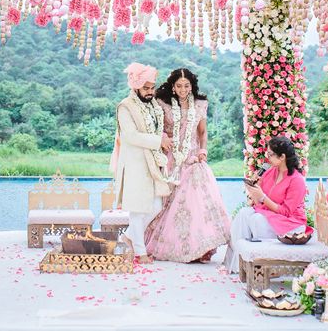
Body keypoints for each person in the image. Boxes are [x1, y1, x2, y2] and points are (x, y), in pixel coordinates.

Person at [144, 68, 230, 263]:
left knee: (195, 204)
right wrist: (164, 137)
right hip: (170, 159)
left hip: (192, 158)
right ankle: (174, 247)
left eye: (187, 86)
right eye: (179, 86)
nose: (183, 89)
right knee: (168, 204)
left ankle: (198, 249)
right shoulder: (162, 104)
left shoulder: (200, 104)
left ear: (192, 86)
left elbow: (202, 132)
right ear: (173, 87)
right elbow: (155, 128)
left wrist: (203, 150)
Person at [109, 62, 173, 263]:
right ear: (135, 87)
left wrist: (161, 138)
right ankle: (140, 252)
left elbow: (154, 128)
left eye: (152, 88)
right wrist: (158, 140)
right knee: (138, 209)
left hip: (152, 163)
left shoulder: (152, 105)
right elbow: (130, 136)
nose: (150, 92)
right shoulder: (125, 107)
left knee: (155, 206)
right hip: (135, 164)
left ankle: (127, 236)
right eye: (146, 88)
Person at [223, 136, 308, 273]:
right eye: (267, 153)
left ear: (282, 157)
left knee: (257, 219)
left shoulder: (297, 180)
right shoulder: (270, 172)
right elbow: (259, 205)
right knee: (244, 213)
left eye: (271, 154)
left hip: (291, 222)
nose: (267, 157)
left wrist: (263, 197)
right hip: (271, 215)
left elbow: (286, 211)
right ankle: (240, 264)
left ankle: (263, 266)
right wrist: (254, 191)